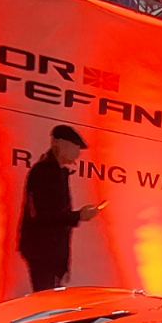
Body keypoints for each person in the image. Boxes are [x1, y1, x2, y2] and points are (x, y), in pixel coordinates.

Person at [18, 124, 100, 292]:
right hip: (43, 251)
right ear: (61, 144)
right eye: (75, 147)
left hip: (49, 251)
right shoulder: (45, 172)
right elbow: (43, 215)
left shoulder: (55, 172)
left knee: (49, 296)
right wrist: (78, 216)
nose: (77, 153)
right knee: (45, 297)